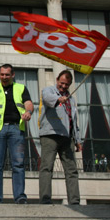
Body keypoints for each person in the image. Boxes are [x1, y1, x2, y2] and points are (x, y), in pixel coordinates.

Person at [0, 62, 34, 204]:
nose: (4, 77)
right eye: (2, 74)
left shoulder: (21, 88)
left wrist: (28, 112)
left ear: (12, 75)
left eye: (7, 74)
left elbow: (28, 103)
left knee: (18, 164)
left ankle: (20, 196)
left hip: (16, 129)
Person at [38, 70, 82, 205]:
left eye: (66, 85)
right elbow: (47, 99)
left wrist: (78, 140)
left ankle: (74, 201)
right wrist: (58, 99)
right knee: (47, 167)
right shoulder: (48, 90)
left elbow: (73, 121)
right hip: (50, 135)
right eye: (62, 83)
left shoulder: (71, 99)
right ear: (57, 80)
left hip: (67, 137)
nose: (63, 86)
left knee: (71, 170)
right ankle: (45, 199)